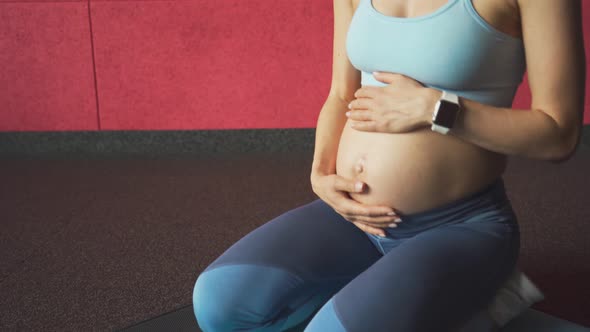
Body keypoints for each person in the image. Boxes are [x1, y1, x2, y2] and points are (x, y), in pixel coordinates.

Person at [192, 0, 585, 331]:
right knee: (217, 304)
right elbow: (342, 93)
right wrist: (320, 174)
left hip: (462, 224)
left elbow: (559, 134)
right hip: (355, 220)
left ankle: (481, 296)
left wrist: (436, 109)